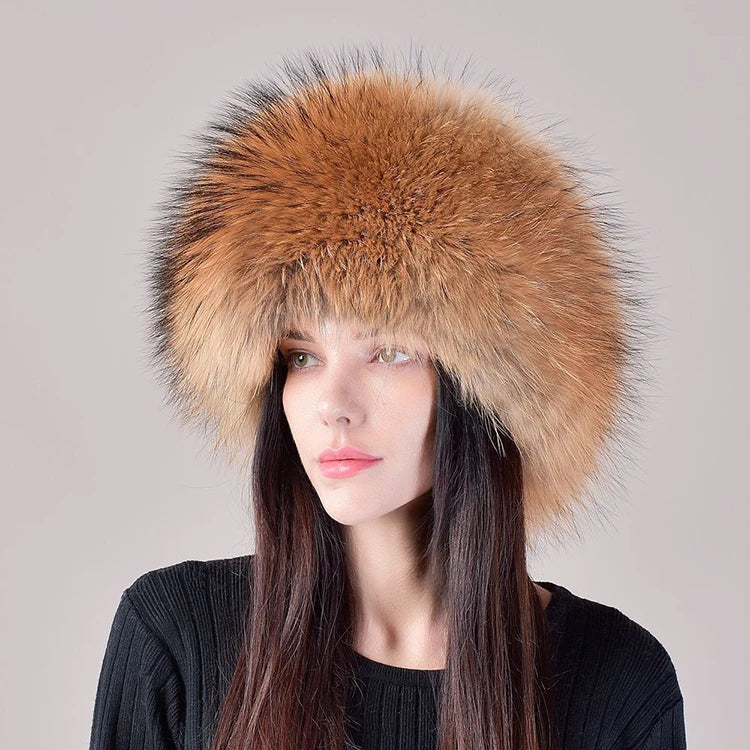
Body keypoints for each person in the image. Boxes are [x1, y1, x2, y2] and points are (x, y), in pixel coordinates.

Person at [88, 43, 686, 749]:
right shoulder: (176, 641)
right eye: (302, 357)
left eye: (391, 351)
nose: (332, 404)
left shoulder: (617, 683)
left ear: (485, 391)